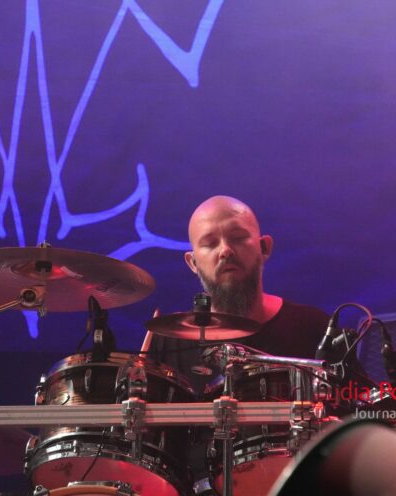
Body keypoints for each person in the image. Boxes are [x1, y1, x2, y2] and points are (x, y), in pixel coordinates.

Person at [148, 196, 368, 495]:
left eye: (238, 238)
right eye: (210, 243)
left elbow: (361, 418)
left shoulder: (316, 328)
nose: (225, 251)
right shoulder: (169, 340)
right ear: (193, 262)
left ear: (264, 248)